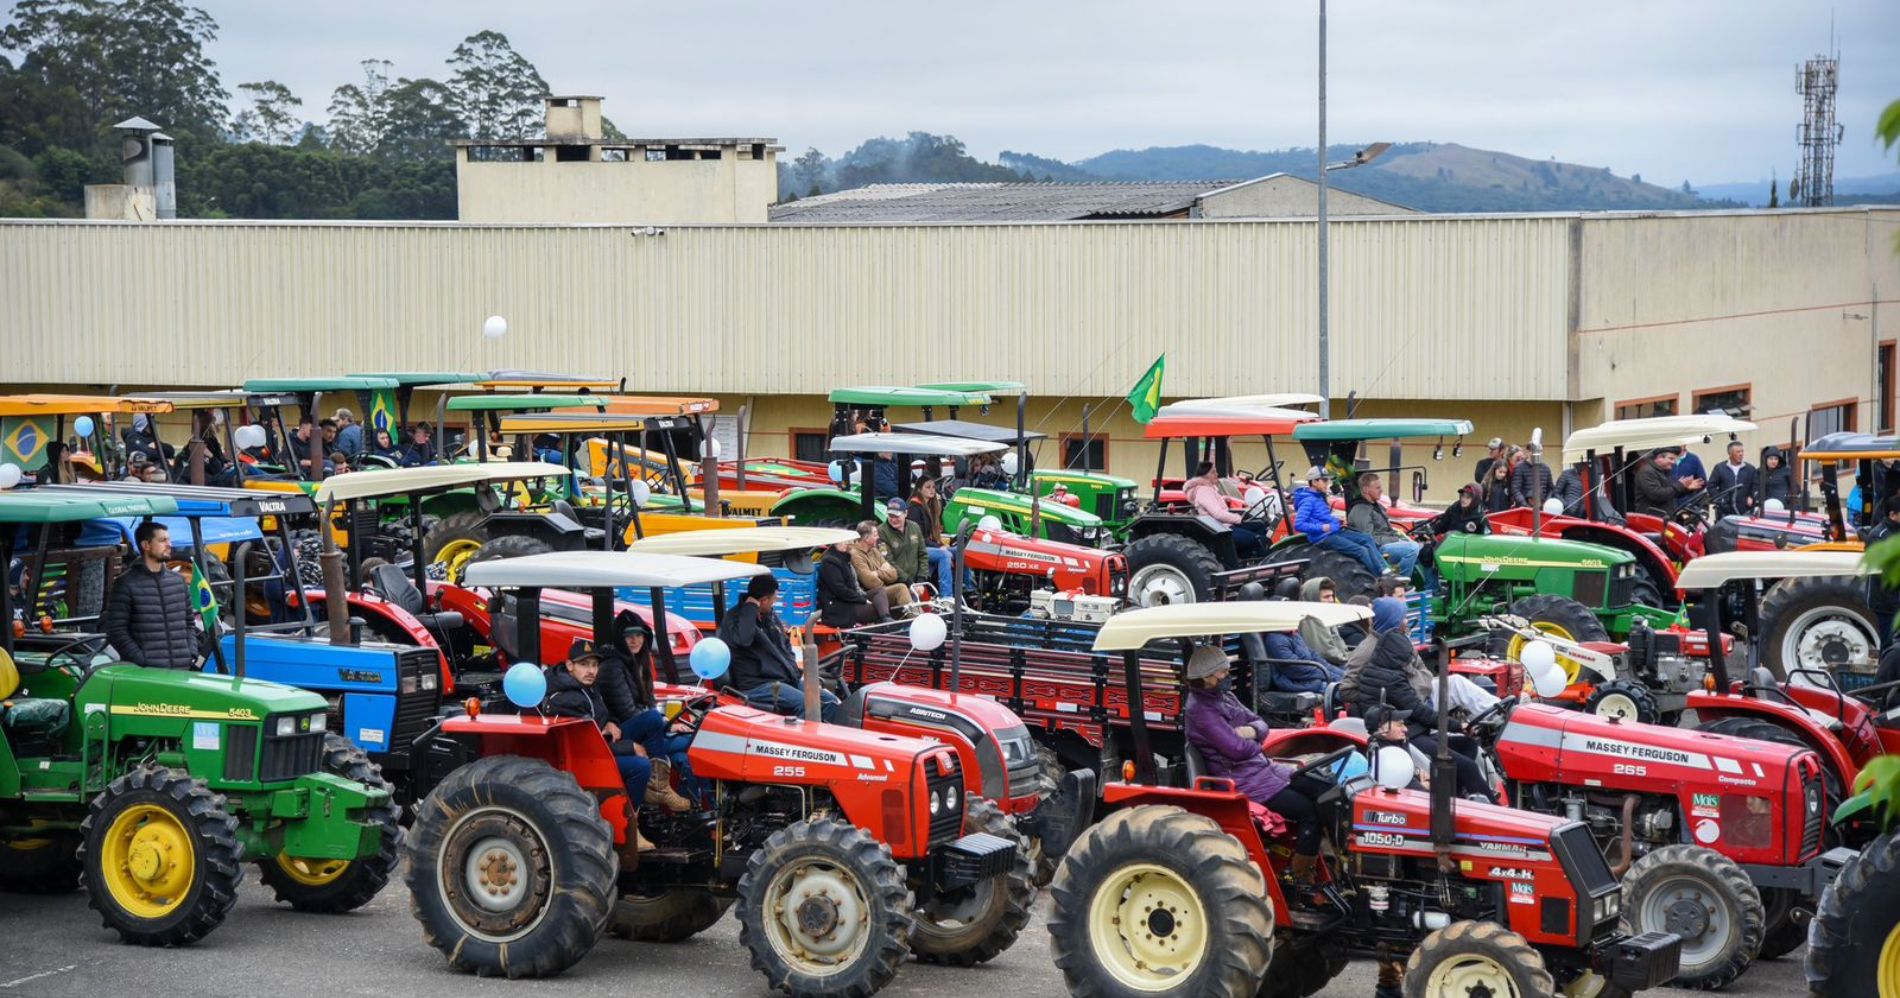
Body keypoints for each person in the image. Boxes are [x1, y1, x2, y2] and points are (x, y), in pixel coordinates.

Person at [1181, 646, 1324, 894]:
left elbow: (1261, 723)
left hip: (1264, 769)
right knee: (1309, 811)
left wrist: (1251, 732)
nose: (1228, 674)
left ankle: (1337, 862)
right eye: (1223, 671)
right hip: (1244, 780)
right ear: (1206, 676)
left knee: (1325, 789)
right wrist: (1254, 740)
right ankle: (1301, 879)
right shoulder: (1200, 711)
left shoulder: (1224, 697)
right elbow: (1235, 749)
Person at [1339, 598, 1495, 801]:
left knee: (1467, 743)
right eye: (1403, 617)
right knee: (1465, 765)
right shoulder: (1377, 659)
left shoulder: (1396, 646)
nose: (1407, 621)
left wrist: (1413, 686)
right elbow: (1349, 689)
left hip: (1413, 708)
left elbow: (1424, 674)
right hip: (1405, 723)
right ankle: (1491, 809)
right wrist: (1379, 699)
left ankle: (1460, 797)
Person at [544, 639, 655, 853]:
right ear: (570, 666)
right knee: (639, 767)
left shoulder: (587, 688)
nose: (591, 671)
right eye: (584, 665)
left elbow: (601, 712)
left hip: (604, 743)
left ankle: (659, 786)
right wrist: (630, 747)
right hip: (586, 757)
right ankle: (631, 827)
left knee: (652, 720)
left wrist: (611, 721)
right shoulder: (565, 697)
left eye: (594, 665)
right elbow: (588, 741)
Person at [595, 612, 696, 811]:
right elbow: (629, 712)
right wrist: (662, 723)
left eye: (639, 635)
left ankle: (697, 812)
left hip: (640, 726)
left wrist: (668, 722)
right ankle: (657, 786)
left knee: (683, 754)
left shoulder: (639, 663)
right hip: (622, 732)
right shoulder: (612, 666)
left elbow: (648, 702)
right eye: (629, 635)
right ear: (619, 638)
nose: (635, 640)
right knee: (690, 739)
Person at [721, 574, 840, 721]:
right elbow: (743, 639)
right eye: (774, 599)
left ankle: (827, 738)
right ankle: (802, 742)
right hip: (758, 683)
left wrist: (793, 671)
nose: (775, 602)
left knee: (831, 701)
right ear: (763, 601)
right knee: (807, 705)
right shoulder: (736, 618)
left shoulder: (768, 615)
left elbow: (784, 644)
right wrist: (750, 608)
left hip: (785, 678)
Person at [102, 522, 201, 670]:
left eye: (169, 540)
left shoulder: (178, 581)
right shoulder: (126, 583)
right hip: (148, 675)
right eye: (162, 540)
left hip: (182, 670)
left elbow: (189, 623)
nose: (169, 545)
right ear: (146, 545)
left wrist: (191, 653)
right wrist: (141, 660)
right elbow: (116, 630)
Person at [1294, 466, 1387, 577]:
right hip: (1323, 537)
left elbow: (1321, 517)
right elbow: (1299, 524)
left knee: (1367, 538)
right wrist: (1322, 527)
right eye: (1324, 480)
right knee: (1361, 551)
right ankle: (1380, 578)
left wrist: (1336, 520)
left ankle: (1385, 569)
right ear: (1314, 482)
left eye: (1327, 480)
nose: (1327, 483)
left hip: (1333, 531)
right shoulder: (1308, 501)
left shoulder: (1319, 497)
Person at [1348, 473, 1423, 582]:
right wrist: (1395, 539)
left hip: (1388, 543)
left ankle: (1432, 587)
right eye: (1377, 487)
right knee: (1412, 549)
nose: (1381, 490)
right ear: (1365, 490)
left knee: (1425, 549)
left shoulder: (1377, 506)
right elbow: (1367, 539)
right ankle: (1399, 583)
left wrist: (1399, 536)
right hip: (1378, 550)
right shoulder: (1360, 510)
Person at [1187, 461, 1265, 558]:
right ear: (1205, 476)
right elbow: (1218, 514)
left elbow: (1211, 504)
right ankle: (1251, 562)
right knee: (1259, 540)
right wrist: (1238, 519)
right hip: (1220, 530)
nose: (1217, 474)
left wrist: (1222, 499)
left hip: (1223, 526)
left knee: (1261, 525)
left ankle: (1246, 556)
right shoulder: (1204, 491)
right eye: (1213, 472)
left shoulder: (1209, 490)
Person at [818, 537, 888, 625]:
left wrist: (861, 598)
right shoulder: (830, 561)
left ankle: (886, 618)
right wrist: (862, 600)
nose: (853, 545)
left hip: (851, 598)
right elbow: (840, 590)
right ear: (841, 544)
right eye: (850, 542)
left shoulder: (844, 558)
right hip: (839, 606)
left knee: (880, 591)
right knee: (877, 609)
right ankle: (885, 621)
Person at [849, 520, 911, 614]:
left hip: (882, 589)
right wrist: (883, 572)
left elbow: (894, 574)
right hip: (871, 594)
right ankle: (915, 620)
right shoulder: (855, 554)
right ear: (865, 538)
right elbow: (870, 582)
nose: (878, 537)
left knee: (905, 588)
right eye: (875, 535)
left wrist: (877, 573)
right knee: (900, 588)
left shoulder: (874, 550)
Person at [1263, 623, 1344, 694]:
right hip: (1296, 682)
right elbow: (1297, 669)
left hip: (1312, 678)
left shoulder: (1294, 635)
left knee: (1347, 682)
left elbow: (1314, 656)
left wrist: (1342, 675)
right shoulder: (1275, 639)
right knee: (1345, 691)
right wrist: (1334, 677)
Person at [908, 478, 957, 595]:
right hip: (917, 547)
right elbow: (918, 537)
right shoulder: (914, 508)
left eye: (933, 487)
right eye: (928, 487)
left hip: (929, 544)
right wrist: (939, 547)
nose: (932, 490)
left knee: (959, 551)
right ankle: (947, 596)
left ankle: (966, 589)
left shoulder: (931, 506)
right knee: (945, 554)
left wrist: (940, 544)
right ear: (919, 489)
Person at [1866, 498, 1900, 652]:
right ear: (1893, 515)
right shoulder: (1878, 536)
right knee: (1889, 647)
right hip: (1886, 602)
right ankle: (1887, 675)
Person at [1633, 449, 1703, 519]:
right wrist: (1680, 485)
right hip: (1652, 519)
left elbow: (1671, 493)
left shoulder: (1665, 472)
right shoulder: (1647, 472)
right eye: (1671, 459)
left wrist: (1686, 488)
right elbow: (1657, 495)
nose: (1673, 462)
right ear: (1660, 457)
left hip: (1664, 518)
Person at [1298, 577, 1352, 667]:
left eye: (1332, 596)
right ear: (1314, 598)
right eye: (1326, 597)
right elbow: (1325, 651)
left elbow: (1338, 644)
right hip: (1326, 666)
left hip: (1336, 663)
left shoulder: (1325, 614)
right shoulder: (1311, 619)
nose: (1331, 600)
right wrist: (1349, 659)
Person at [877, 498, 930, 587]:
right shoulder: (881, 531)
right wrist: (907, 581)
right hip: (897, 583)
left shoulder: (914, 527)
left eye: (897, 516)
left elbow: (923, 554)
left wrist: (921, 578)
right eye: (890, 516)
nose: (893, 520)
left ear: (906, 513)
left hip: (917, 581)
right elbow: (888, 560)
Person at [1708, 441, 1759, 517]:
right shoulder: (1719, 468)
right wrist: (1720, 500)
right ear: (1730, 453)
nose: (1741, 454)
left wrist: (1752, 497)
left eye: (1742, 451)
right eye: (1738, 452)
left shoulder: (1750, 469)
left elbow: (1756, 485)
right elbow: (1711, 486)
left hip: (1745, 511)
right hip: (1725, 512)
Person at [1427, 483, 1492, 537]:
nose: (1463, 500)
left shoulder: (1480, 518)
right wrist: (1428, 533)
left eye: (1468, 497)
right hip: (1447, 546)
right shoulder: (1454, 508)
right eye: (1463, 496)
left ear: (1475, 499)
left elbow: (1486, 539)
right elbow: (1441, 525)